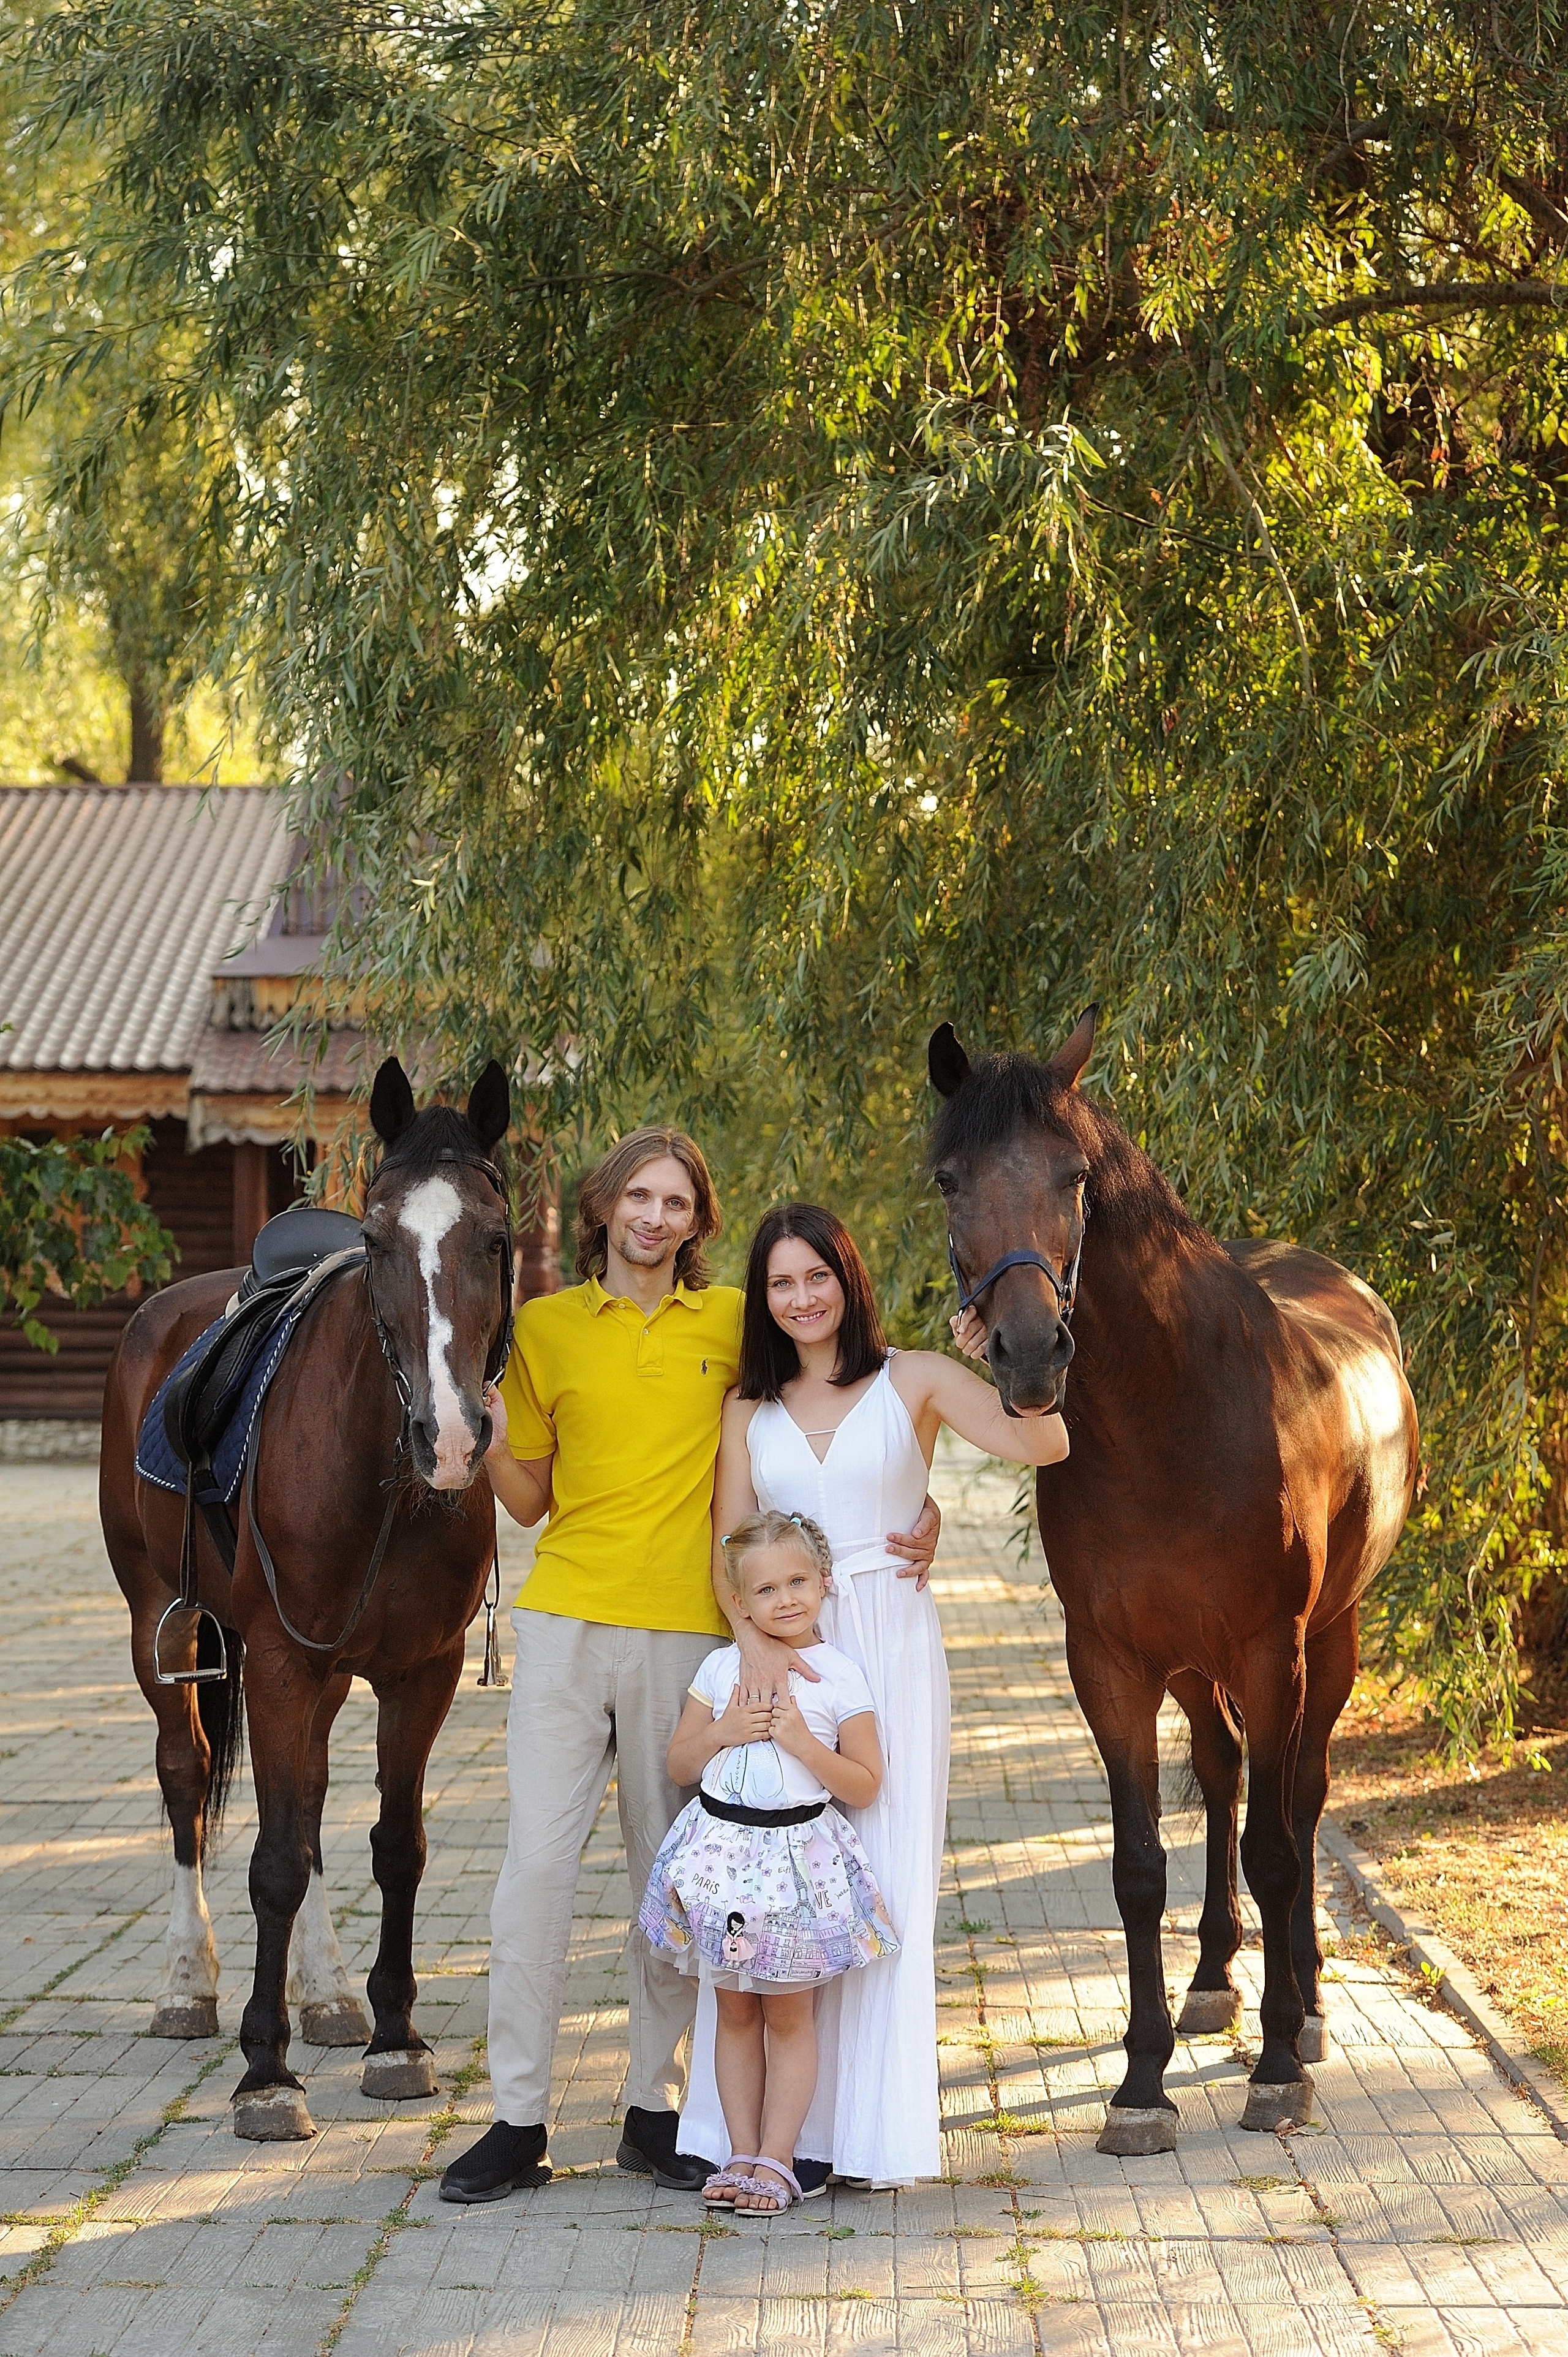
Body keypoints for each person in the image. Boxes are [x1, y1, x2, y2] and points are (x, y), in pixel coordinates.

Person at [439, 1137, 941, 2205]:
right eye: (638, 1196)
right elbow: (528, 1501)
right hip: (569, 1621)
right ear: (604, 1207)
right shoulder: (546, 1328)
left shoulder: (730, 1327)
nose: (655, 1217)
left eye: (676, 1201)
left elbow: (832, 1414)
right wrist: (484, 1433)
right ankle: (517, 2116)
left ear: (699, 1219)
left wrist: (921, 1504)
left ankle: (653, 2110)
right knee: (534, 1870)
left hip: (691, 1643)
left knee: (677, 1883)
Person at [677, 1202, 1068, 2187]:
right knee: (773, 1881)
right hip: (783, 1656)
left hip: (889, 1644)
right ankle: (763, 2140)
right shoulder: (746, 1408)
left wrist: (1013, 1357)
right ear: (763, 1299)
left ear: (849, 1278)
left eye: (818, 1276)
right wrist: (751, 1645)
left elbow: (1046, 1445)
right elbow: (728, 1544)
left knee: (879, 1881)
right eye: (781, 1282)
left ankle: (866, 2136)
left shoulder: (920, 1377)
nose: (802, 1297)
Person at [641, 1512, 899, 2215]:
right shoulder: (721, 1668)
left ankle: (779, 2159)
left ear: (823, 1581)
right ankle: (739, 2151)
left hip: (793, 1875)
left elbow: (866, 1783)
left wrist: (800, 1743)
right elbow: (679, 1762)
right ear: (740, 1602)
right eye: (764, 1590)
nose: (784, 1599)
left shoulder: (839, 1675)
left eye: (797, 1581)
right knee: (732, 2014)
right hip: (722, 1865)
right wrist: (724, 1730)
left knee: (787, 2018)